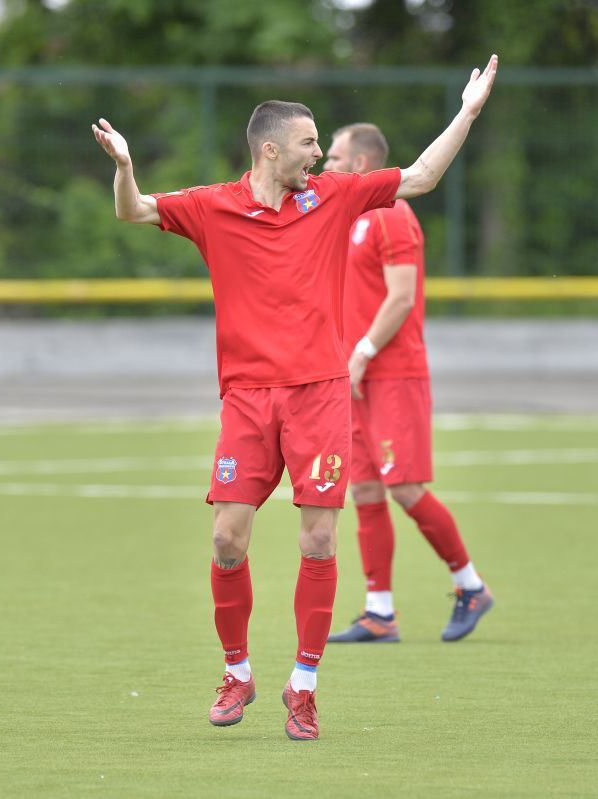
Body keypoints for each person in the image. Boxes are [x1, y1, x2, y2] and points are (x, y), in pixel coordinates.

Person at [91, 54, 498, 742]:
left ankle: (303, 687)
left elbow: (423, 176)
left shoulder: (334, 197)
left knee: (317, 535)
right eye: (310, 142)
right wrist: (126, 165)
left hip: (318, 396)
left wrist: (469, 111)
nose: (321, 152)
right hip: (247, 399)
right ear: (271, 149)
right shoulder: (212, 206)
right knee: (226, 535)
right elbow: (133, 211)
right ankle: (238, 670)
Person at [322, 123, 493, 646]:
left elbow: (400, 297)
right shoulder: (348, 215)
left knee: (405, 487)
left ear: (359, 164)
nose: (325, 164)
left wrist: (364, 352)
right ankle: (379, 613)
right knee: (366, 488)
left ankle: (470, 585)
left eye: (333, 156)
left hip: (392, 372)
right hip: (355, 373)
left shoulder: (393, 213)